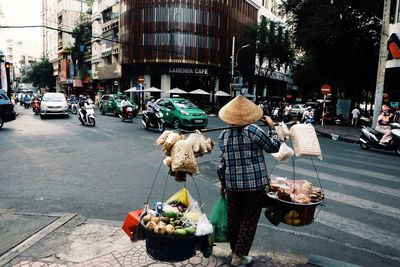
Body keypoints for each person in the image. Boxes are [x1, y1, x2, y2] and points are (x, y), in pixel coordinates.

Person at [217, 95, 280, 267]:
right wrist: (272, 127)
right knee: (248, 221)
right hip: (254, 186)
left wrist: (223, 184)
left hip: (233, 186)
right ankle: (239, 256)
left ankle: (234, 251)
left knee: (234, 220)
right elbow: (274, 147)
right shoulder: (252, 130)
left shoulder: (223, 135)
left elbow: (223, 163)